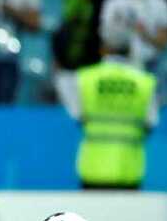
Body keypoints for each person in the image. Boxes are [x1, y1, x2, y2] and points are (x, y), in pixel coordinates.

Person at [55, 24, 159, 190]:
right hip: (128, 171)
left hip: (93, 170)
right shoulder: (145, 82)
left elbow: (77, 115)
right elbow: (151, 123)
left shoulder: (85, 78)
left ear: (103, 49)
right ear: (130, 50)